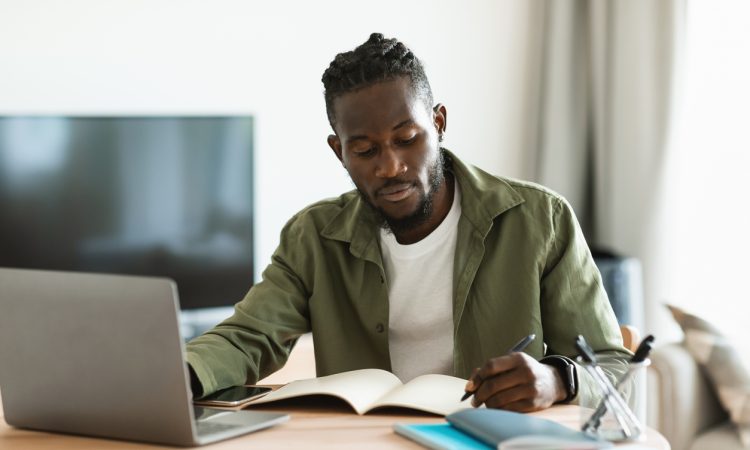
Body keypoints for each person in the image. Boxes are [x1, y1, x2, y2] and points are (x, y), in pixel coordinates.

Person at [186, 33, 631, 412]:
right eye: (364, 150)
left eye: (406, 139)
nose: (391, 167)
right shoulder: (312, 236)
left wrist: (558, 380)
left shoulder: (540, 220)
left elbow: (611, 365)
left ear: (438, 123)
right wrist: (178, 374)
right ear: (339, 151)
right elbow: (248, 337)